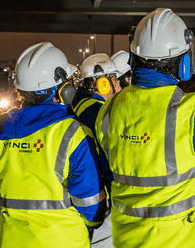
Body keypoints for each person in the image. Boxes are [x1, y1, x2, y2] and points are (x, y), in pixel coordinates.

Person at [94, 8, 195, 248]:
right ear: (183, 62)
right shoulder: (191, 111)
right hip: (186, 238)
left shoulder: (110, 109)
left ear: (134, 58)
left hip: (128, 238)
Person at [0, 42, 106, 248]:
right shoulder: (74, 133)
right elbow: (90, 205)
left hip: (12, 240)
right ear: (62, 87)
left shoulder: (0, 130)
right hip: (63, 241)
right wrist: (94, 222)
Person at [73, 53, 119, 247]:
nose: (118, 84)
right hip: (100, 196)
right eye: (114, 79)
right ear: (103, 83)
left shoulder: (80, 104)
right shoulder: (100, 111)